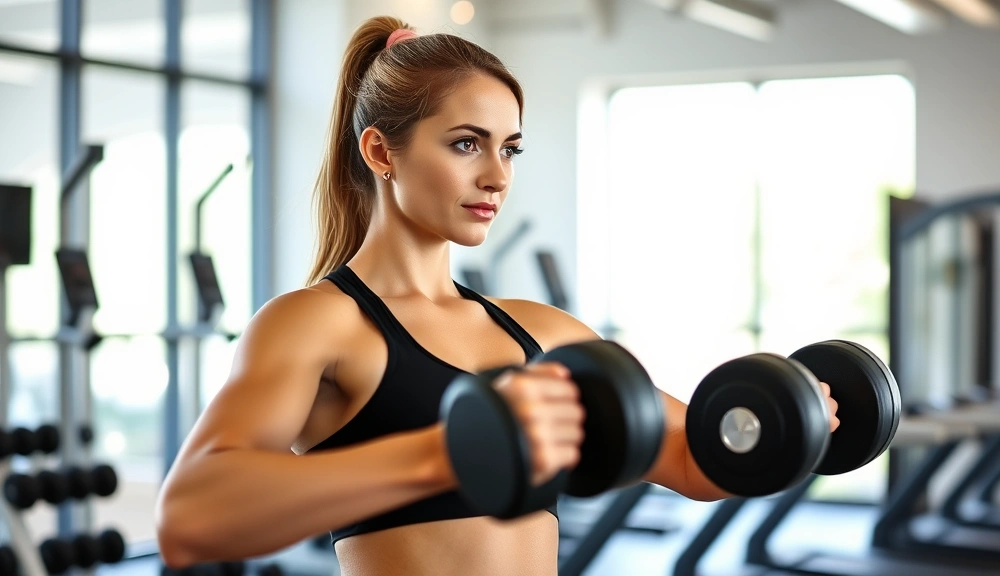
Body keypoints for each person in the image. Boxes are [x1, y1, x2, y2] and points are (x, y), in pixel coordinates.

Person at [155, 15, 840, 576]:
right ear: (380, 152)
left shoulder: (544, 334)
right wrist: (447, 452)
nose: (495, 176)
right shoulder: (318, 324)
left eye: (510, 149)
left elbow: (697, 461)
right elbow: (189, 519)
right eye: (465, 144)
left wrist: (795, 420)